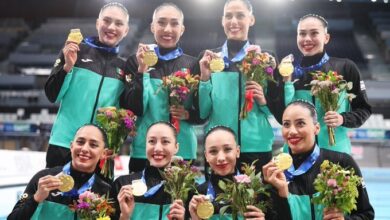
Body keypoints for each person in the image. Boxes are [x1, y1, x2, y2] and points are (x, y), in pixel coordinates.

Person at [269, 14, 371, 154]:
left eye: (314, 33)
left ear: (326, 38)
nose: (307, 39)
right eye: (302, 34)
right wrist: (284, 81)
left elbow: (364, 109)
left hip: (335, 154)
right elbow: (282, 117)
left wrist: (342, 119)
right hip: (296, 156)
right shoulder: (288, 71)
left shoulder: (346, 68)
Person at [44, 2, 130, 168]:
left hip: (101, 151)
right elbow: (51, 95)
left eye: (119, 23)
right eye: (107, 21)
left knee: (97, 195)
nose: (111, 27)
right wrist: (68, 66)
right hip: (64, 144)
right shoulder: (75, 51)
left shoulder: (125, 68)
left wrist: (115, 142)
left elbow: (124, 115)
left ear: (126, 30)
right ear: (98, 23)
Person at [121, 3, 201, 173]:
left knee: (180, 199)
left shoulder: (193, 64)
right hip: (145, 150)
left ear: (182, 29)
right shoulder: (135, 61)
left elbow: (204, 113)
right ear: (152, 26)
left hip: (183, 150)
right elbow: (134, 108)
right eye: (161, 23)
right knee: (141, 199)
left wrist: (189, 114)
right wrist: (142, 71)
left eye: (174, 24)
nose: (167, 29)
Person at [196, 0, 275, 173]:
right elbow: (203, 112)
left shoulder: (265, 59)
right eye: (228, 16)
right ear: (222, 20)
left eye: (240, 15)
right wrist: (204, 78)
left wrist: (263, 101)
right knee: (218, 200)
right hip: (219, 148)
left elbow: (274, 112)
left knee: (257, 200)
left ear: (251, 19)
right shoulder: (209, 58)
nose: (233, 21)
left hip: (257, 146)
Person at [263, 100, 374, 219]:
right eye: (286, 124)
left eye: (300, 123)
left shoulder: (342, 163)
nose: (292, 131)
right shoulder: (273, 172)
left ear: (316, 128)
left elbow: (367, 214)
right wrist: (282, 196)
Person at [8, 124, 112, 219]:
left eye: (93, 145)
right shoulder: (44, 179)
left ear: (104, 153)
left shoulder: (105, 192)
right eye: (80, 142)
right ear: (71, 146)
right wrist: (36, 199)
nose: (84, 149)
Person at [188, 126, 291, 220]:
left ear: (237, 151)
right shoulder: (198, 195)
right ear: (206, 156)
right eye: (213, 151)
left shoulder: (257, 191)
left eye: (227, 149)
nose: (221, 158)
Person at [110, 121, 186, 220]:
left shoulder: (187, 188)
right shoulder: (123, 185)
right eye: (152, 141)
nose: (158, 148)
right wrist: (125, 216)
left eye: (165, 141)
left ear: (176, 147)